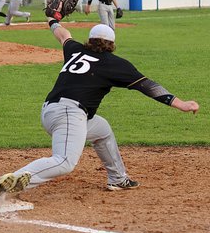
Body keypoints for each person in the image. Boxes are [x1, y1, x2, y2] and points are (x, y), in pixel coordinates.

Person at [14, 16, 200, 191]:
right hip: (69, 114)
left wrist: (52, 20)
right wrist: (181, 104)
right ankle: (12, 181)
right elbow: (149, 86)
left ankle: (118, 179)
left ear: (90, 40)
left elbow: (63, 34)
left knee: (102, 130)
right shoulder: (115, 64)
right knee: (64, 162)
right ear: (112, 44)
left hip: (50, 111)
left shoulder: (76, 50)